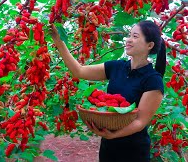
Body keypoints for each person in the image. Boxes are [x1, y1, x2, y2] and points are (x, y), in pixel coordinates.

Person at [49, 20, 166, 162]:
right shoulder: (116, 67)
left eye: (135, 36)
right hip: (108, 147)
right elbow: (79, 71)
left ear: (150, 45)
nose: (128, 40)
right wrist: (58, 40)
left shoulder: (153, 80)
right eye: (129, 35)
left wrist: (113, 135)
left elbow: (141, 121)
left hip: (133, 151)